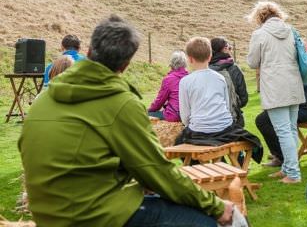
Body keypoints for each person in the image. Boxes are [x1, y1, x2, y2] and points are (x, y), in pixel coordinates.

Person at [19, 15, 234, 227]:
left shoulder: (42, 101)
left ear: (89, 51)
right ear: (126, 64)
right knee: (205, 221)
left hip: (49, 216)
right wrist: (216, 207)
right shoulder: (120, 104)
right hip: (93, 216)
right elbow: (158, 172)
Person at [177, 37, 263, 162]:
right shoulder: (219, 78)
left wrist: (191, 125)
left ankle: (200, 171)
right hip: (225, 129)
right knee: (245, 135)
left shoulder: (185, 82)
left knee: (178, 143)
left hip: (199, 131)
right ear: (210, 56)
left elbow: (185, 114)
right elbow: (227, 106)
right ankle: (221, 166)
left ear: (189, 59)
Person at [247, 1, 305, 184]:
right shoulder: (291, 31)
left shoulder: (260, 34)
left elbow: (252, 62)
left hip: (274, 85)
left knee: (283, 131)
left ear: (259, 17)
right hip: (293, 82)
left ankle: (293, 174)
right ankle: (288, 167)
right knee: (290, 128)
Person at [256, 83, 307, 168]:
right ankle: (283, 155)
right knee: (265, 119)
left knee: (263, 120)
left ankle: (284, 158)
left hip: (306, 109)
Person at [209, 37, 248, 126]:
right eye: (229, 48)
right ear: (225, 49)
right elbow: (243, 98)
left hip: (210, 118)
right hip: (233, 118)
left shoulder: (205, 69)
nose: (230, 50)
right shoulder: (234, 69)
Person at [148, 50, 188, 121]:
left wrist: (149, 110)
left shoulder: (169, 79)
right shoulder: (189, 77)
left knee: (144, 115)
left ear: (171, 63)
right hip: (187, 116)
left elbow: (159, 102)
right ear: (185, 63)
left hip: (173, 116)